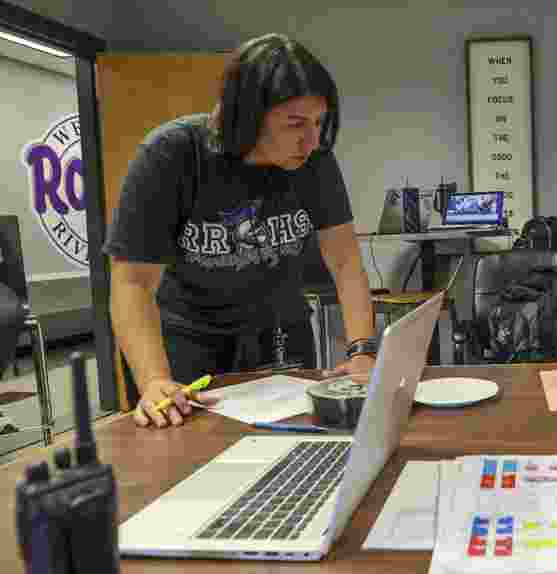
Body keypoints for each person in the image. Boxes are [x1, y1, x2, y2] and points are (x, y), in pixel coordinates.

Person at [104, 33, 378, 428]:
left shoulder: (314, 160)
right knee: (187, 452)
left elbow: (346, 261)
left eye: (318, 122)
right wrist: (154, 379)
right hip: (186, 339)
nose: (312, 139)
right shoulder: (173, 154)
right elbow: (132, 283)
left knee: (294, 448)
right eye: (296, 123)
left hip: (279, 331)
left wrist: (363, 352)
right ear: (246, 114)